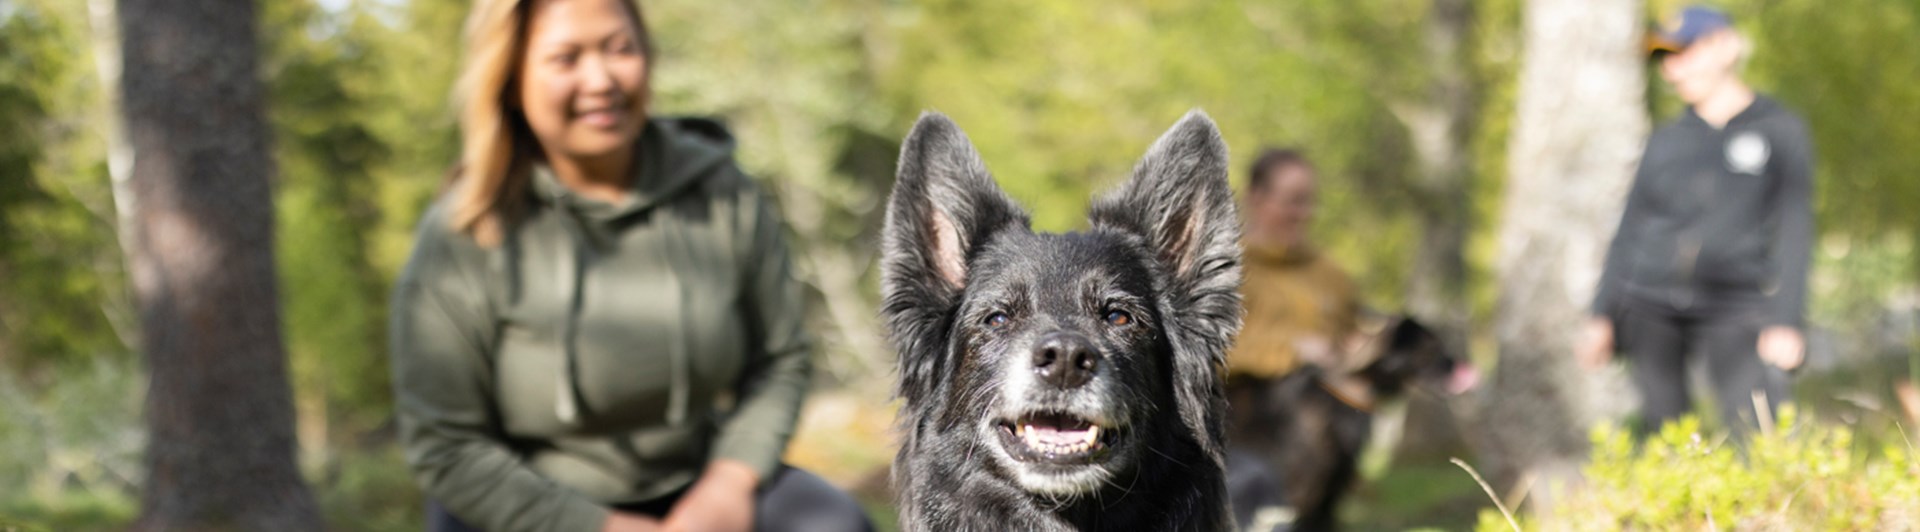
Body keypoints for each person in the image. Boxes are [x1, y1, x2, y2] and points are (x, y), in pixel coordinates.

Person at [387, 0, 872, 531]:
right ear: (510, 78)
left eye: (620, 49)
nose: (601, 80)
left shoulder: (719, 192)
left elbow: (780, 361)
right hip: (528, 506)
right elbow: (446, 443)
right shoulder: (466, 229)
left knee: (833, 524)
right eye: (566, 58)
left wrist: (728, 484)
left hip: (703, 487)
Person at [1579, 5, 1816, 436]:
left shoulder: (1779, 130)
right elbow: (1630, 228)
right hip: (1650, 305)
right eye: (1664, 59)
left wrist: (1787, 320)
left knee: (1759, 431)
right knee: (1664, 435)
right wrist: (1601, 313)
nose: (1672, 70)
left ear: (1725, 47)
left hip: (1736, 304)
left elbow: (1794, 230)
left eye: (1683, 52)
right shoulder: (1666, 140)